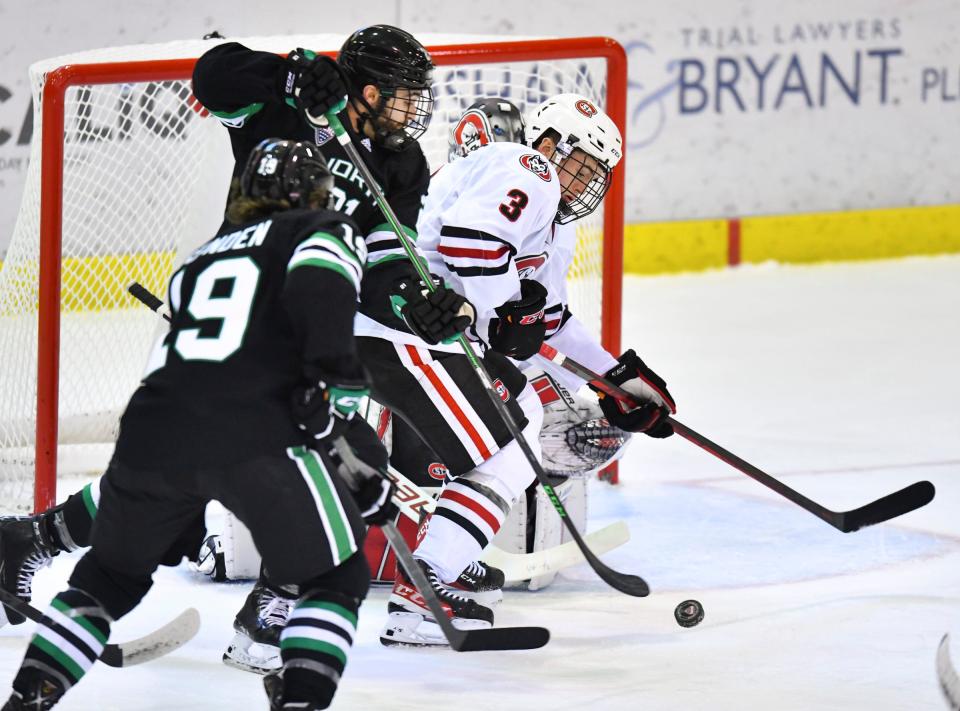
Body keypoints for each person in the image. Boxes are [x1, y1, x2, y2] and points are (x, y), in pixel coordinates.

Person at [0, 138, 395, 711]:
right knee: (336, 577)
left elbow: (197, 368)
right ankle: (303, 700)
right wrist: (352, 439)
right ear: (313, 191)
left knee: (106, 579)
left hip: (152, 433)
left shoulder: (199, 257)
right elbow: (319, 297)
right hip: (255, 431)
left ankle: (28, 699)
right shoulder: (320, 228)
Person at [354, 92, 677, 647]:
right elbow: (472, 247)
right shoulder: (526, 167)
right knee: (516, 430)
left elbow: (548, 325)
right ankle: (422, 587)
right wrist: (506, 309)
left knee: (517, 417)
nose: (588, 182)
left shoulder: (548, 222)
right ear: (551, 145)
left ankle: (440, 563)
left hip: (423, 337)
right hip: (403, 327)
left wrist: (616, 381)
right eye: (584, 164)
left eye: (598, 173)